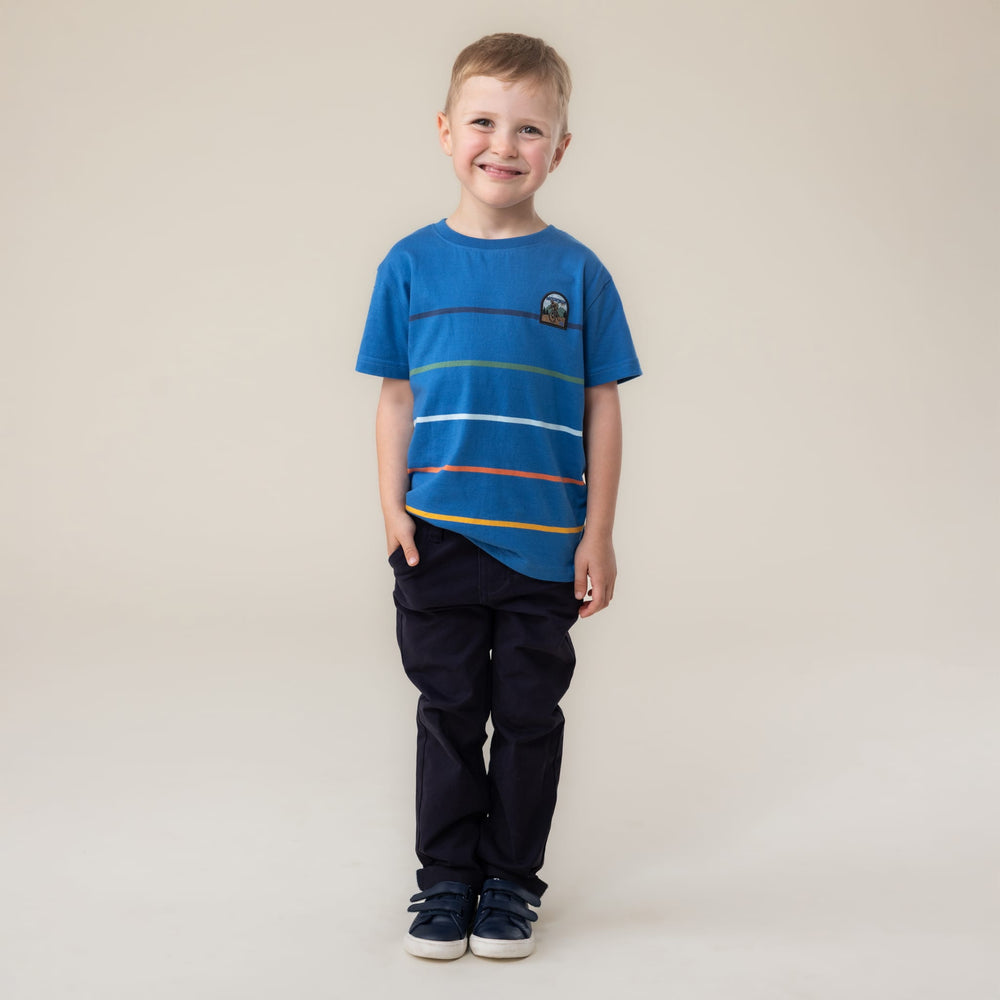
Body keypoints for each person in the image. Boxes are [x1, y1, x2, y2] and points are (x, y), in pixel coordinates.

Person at [355, 32, 641, 960]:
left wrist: (598, 532)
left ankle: (511, 883)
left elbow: (602, 408)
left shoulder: (579, 273)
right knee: (447, 714)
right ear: (446, 131)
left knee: (526, 717)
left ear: (560, 148)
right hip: (436, 538)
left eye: (529, 129)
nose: (503, 145)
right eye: (483, 122)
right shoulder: (408, 264)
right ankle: (444, 880)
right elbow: (396, 398)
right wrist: (394, 512)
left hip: (545, 547)